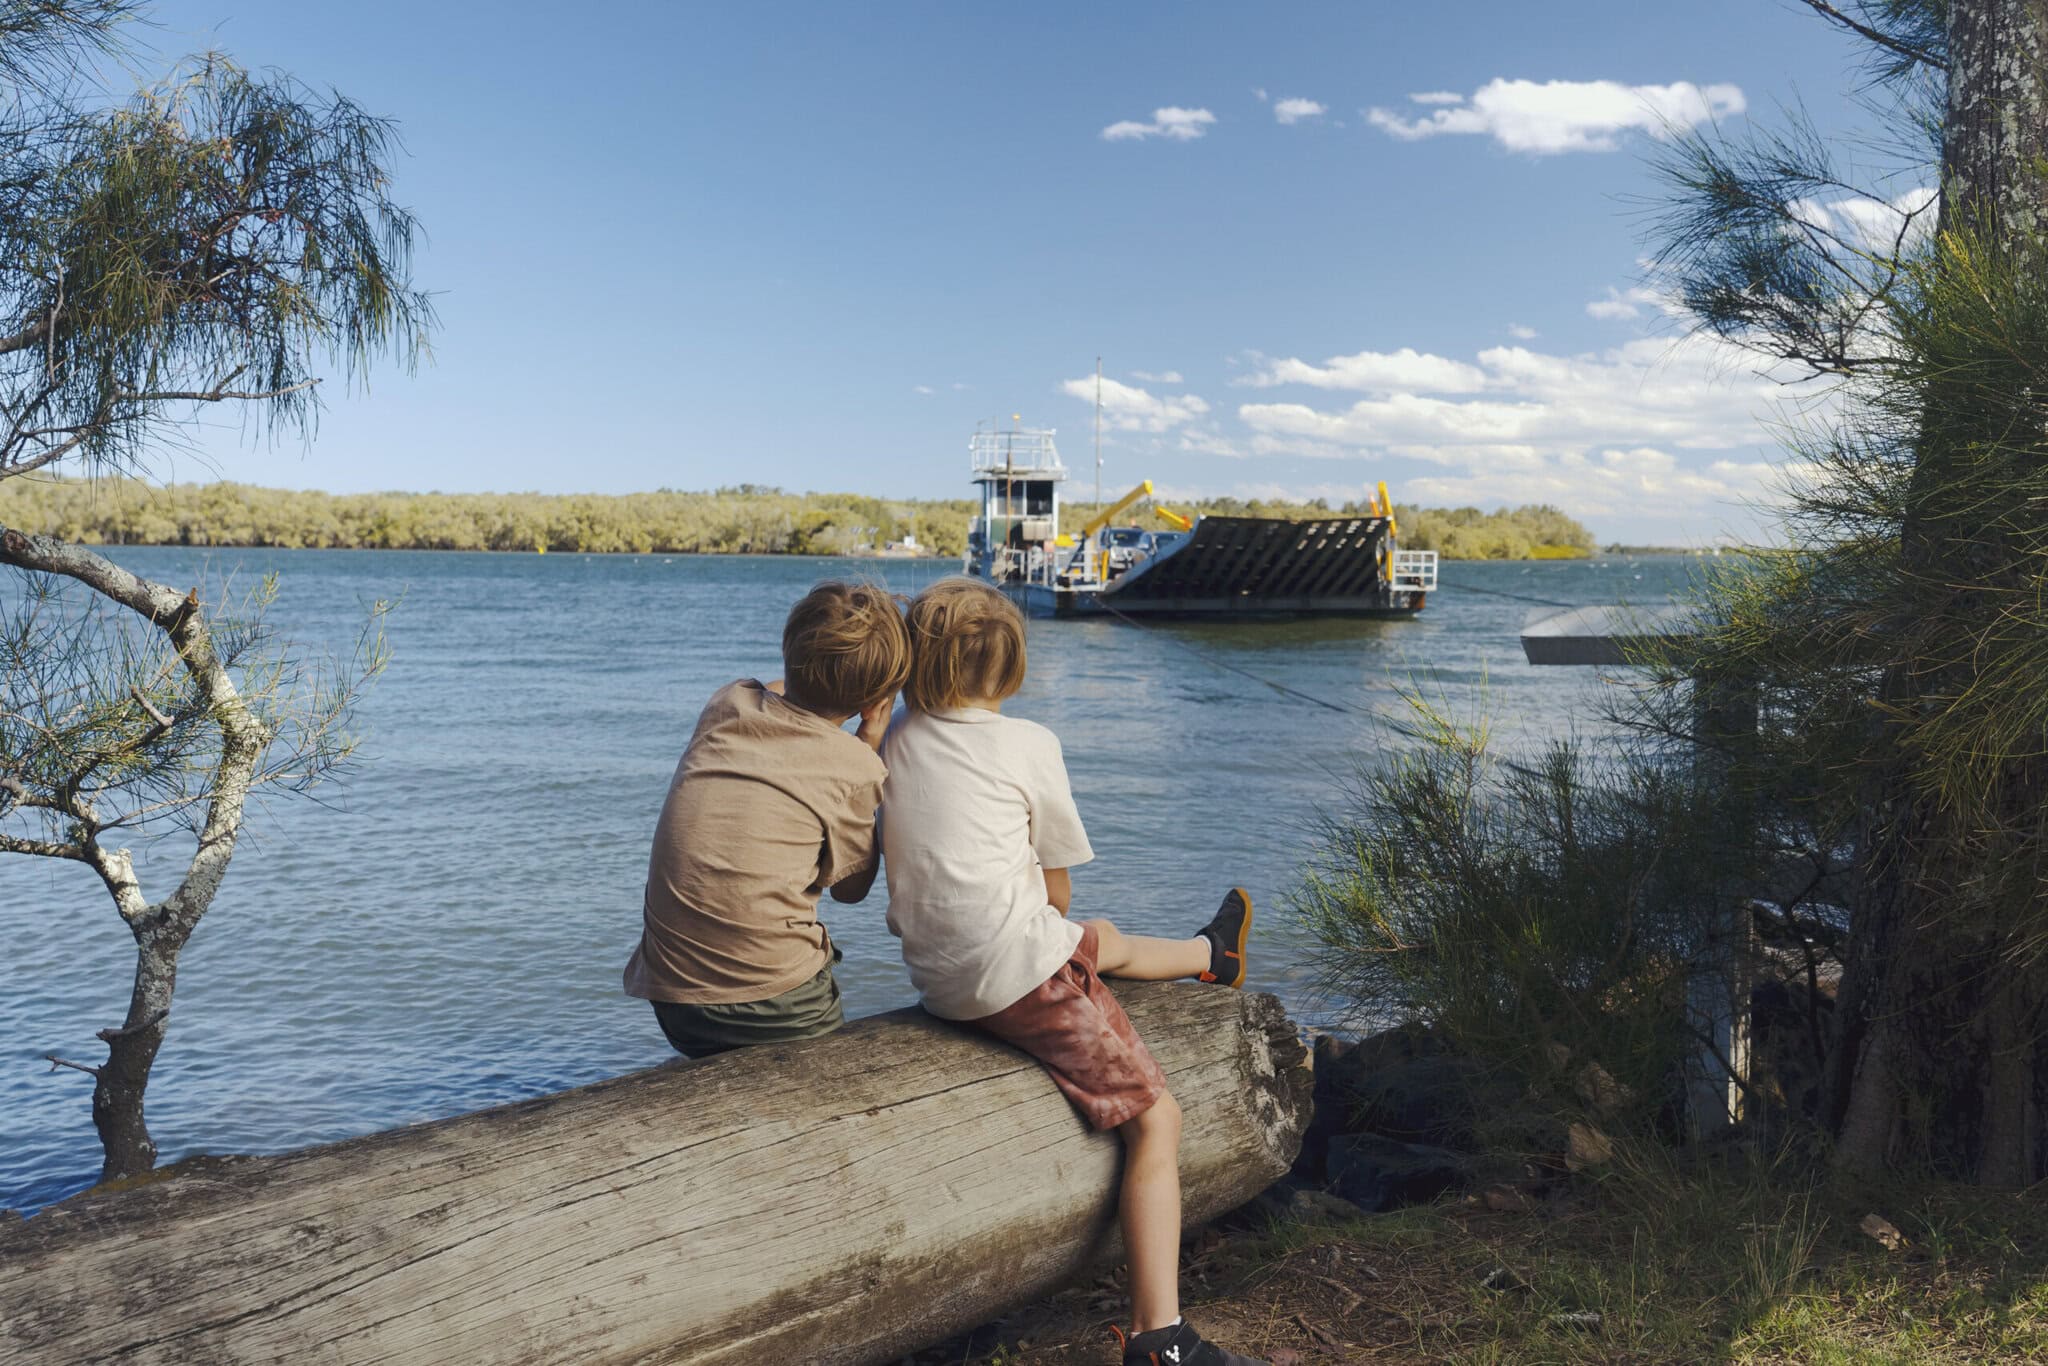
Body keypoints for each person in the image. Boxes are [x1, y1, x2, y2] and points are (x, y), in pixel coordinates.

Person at [879, 577, 1263, 1366]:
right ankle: (1162, 1339)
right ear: (1011, 668)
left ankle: (1210, 956)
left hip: (942, 977)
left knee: (1101, 940)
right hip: (1020, 978)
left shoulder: (894, 741)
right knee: (1159, 1121)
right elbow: (1055, 888)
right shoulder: (1028, 744)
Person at [622, 580, 909, 1058]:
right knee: (840, 1072)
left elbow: (780, 695)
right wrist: (871, 740)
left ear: (787, 653)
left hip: (674, 1000)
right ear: (875, 701)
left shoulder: (727, 703)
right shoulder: (854, 764)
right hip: (779, 1009)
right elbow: (850, 890)